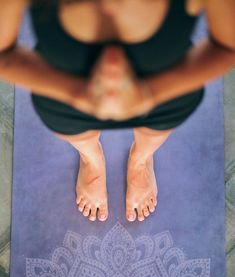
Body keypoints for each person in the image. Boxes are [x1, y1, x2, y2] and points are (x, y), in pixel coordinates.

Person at [0, 0, 235, 222]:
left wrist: (150, 94)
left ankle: (140, 162)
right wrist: (76, 94)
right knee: (77, 134)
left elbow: (227, 47)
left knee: (154, 133)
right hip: (64, 100)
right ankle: (92, 162)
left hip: (166, 97)